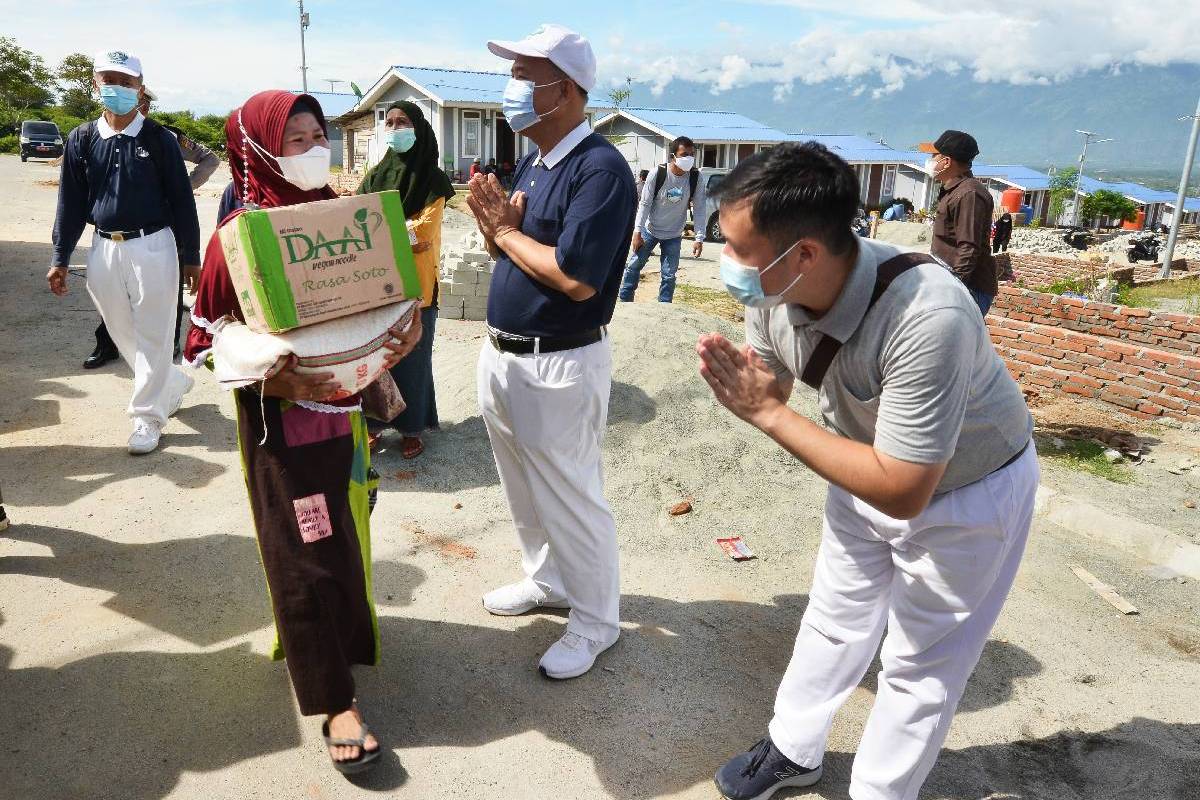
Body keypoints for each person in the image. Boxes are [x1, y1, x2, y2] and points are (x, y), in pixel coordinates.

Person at [698, 142, 1036, 800]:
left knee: (920, 663)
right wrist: (751, 386)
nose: (726, 262)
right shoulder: (775, 289)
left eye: (739, 248)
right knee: (833, 616)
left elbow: (906, 489)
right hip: (860, 463)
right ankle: (794, 749)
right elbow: (777, 378)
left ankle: (882, 792)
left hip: (968, 493)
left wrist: (766, 415)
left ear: (805, 254)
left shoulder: (927, 315)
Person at [184, 90, 421, 774]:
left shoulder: (343, 222)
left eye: (320, 134)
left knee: (347, 536)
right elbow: (201, 339)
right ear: (258, 148)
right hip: (281, 428)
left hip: (345, 420)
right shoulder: (241, 238)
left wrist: (400, 339)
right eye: (297, 139)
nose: (315, 148)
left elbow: (387, 304)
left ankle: (333, 642)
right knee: (304, 550)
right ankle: (333, 700)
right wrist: (281, 380)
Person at [467, 23, 635, 679]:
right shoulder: (537, 162)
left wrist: (505, 235)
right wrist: (495, 233)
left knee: (571, 495)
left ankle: (596, 622)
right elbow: (514, 250)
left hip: (559, 361)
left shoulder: (600, 170)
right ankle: (548, 581)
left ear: (563, 91)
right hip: (505, 355)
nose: (511, 90)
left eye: (523, 77)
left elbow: (575, 275)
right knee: (524, 489)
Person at [48, 50, 200, 454]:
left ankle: (147, 417)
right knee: (120, 328)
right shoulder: (82, 138)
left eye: (126, 81)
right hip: (103, 247)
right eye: (109, 79)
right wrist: (60, 257)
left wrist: (192, 256)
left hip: (154, 245)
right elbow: (71, 203)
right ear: (95, 84)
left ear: (140, 88)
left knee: (154, 331)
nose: (117, 88)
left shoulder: (160, 140)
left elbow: (183, 200)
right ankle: (170, 382)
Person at [86, 87, 221, 369]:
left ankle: (167, 346)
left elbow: (211, 159)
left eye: (143, 102)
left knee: (167, 290)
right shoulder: (99, 133)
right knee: (114, 293)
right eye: (138, 100)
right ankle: (108, 345)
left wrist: (186, 185)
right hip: (120, 229)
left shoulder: (166, 135)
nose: (139, 106)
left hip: (166, 225)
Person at [356, 100, 455, 459]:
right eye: (390, 122)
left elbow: (423, 232)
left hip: (417, 285)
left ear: (419, 128)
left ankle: (413, 429)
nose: (395, 128)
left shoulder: (433, 180)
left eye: (403, 122)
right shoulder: (374, 177)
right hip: (376, 285)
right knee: (377, 358)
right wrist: (394, 231)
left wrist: (380, 230)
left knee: (413, 358)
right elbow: (355, 221)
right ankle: (375, 425)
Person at [618, 136, 706, 303]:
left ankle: (664, 309)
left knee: (669, 275)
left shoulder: (696, 177)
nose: (689, 158)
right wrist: (637, 231)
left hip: (673, 234)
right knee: (634, 266)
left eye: (691, 154)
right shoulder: (657, 174)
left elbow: (700, 208)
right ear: (673, 156)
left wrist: (699, 237)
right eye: (684, 154)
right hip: (649, 230)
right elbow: (644, 204)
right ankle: (625, 301)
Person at [924, 130, 997, 316]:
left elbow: (968, 247)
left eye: (934, 156)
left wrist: (954, 288)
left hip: (969, 289)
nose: (930, 161)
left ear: (947, 162)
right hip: (954, 284)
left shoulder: (969, 194)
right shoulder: (954, 190)